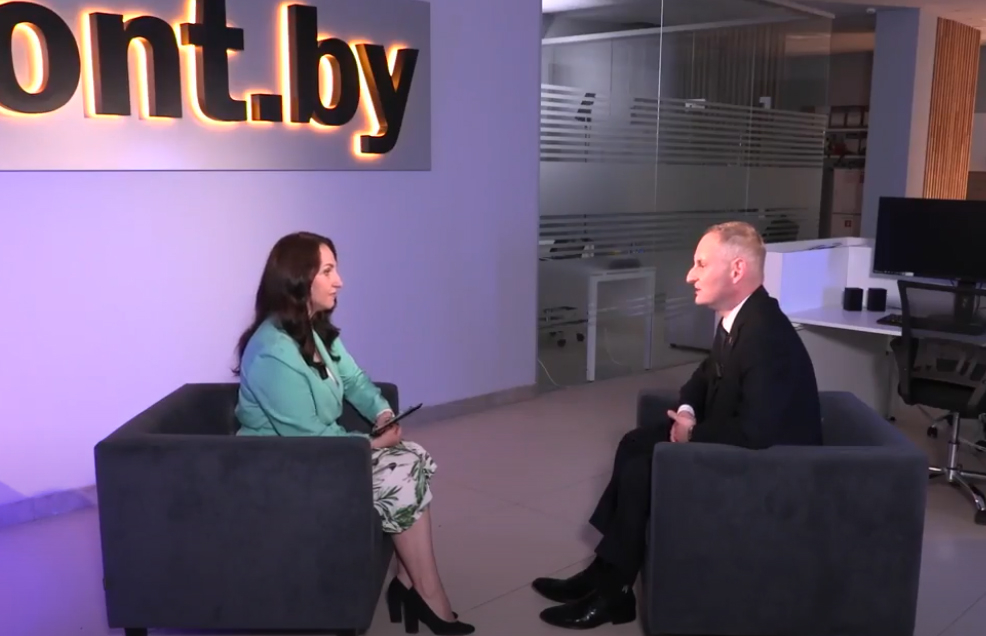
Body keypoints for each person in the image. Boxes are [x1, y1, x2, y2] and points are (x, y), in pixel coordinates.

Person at [532, 221, 823, 630]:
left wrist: (693, 434)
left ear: (736, 270)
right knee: (634, 443)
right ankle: (605, 573)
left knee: (644, 467)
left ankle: (614, 590)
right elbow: (702, 378)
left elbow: (758, 433)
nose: (689, 275)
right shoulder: (739, 317)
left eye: (701, 264)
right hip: (743, 445)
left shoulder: (765, 335)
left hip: (771, 473)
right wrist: (686, 410)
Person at [234, 231, 474, 636]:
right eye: (328, 271)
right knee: (401, 470)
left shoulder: (313, 330)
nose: (339, 281)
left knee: (411, 456)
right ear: (298, 280)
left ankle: (410, 583)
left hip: (320, 453)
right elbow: (309, 442)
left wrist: (382, 413)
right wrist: (373, 443)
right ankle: (427, 594)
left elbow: (355, 381)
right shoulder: (272, 351)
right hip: (279, 471)